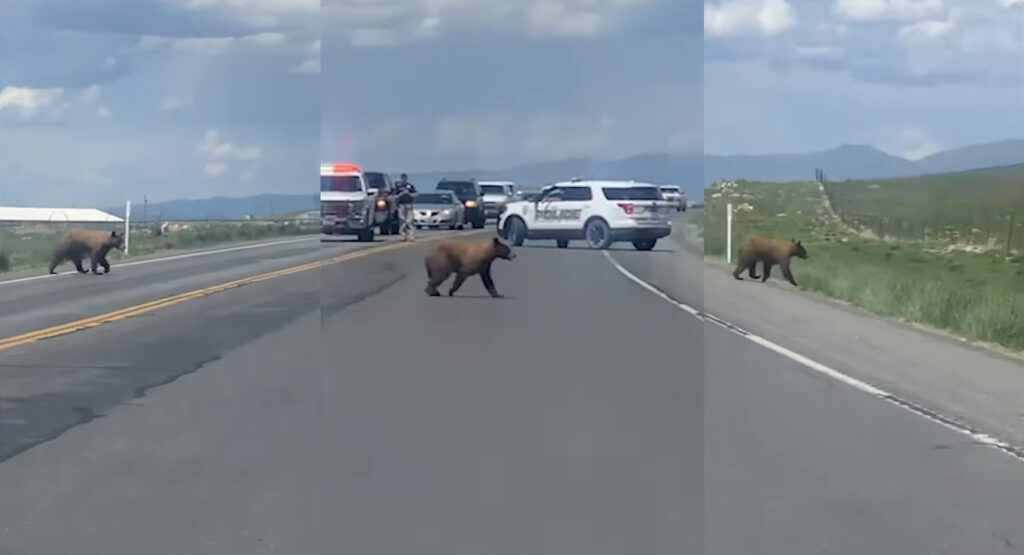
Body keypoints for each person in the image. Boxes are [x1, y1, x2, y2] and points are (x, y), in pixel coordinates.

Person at [395, 173, 418, 242]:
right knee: (402, 219)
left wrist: (409, 194)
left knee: (409, 221)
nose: (403, 179)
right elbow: (394, 196)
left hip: (409, 204)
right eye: (402, 178)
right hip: (401, 205)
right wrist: (401, 194)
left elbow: (416, 194)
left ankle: (411, 236)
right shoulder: (398, 187)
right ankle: (403, 235)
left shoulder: (410, 186)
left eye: (405, 178)